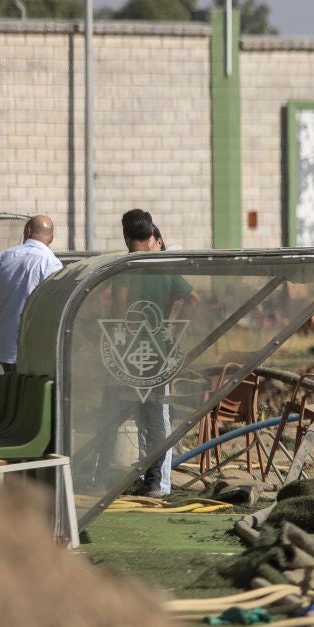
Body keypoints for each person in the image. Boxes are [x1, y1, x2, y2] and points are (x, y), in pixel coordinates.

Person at [118, 209, 194, 498]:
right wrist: (173, 328)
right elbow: (194, 299)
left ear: (125, 235)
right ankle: (151, 481)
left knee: (144, 413)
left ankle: (157, 483)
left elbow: (118, 308)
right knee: (154, 414)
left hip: (131, 353)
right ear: (151, 236)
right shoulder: (164, 268)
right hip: (159, 353)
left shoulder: (125, 268)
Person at [0, 214, 61, 373]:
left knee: (11, 389)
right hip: (35, 346)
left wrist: (11, 297)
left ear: (27, 230)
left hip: (5, 345)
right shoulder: (52, 263)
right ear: (51, 239)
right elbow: (55, 303)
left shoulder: (3, 257)